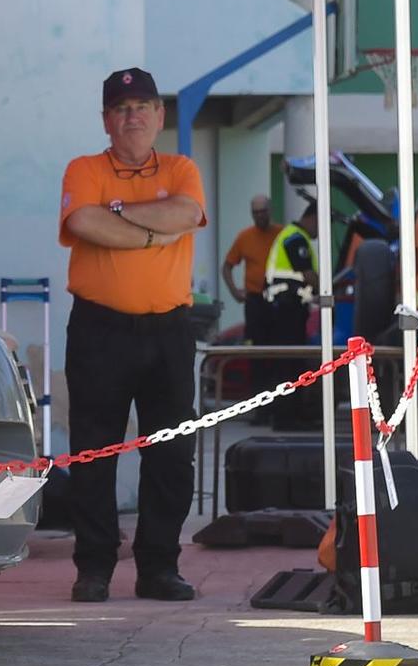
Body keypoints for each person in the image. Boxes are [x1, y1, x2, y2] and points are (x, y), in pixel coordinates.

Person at [56, 68, 208, 603]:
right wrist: (153, 234)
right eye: (121, 108)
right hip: (100, 327)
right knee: (93, 452)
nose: (133, 116)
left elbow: (188, 212)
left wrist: (119, 216)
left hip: (168, 329)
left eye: (143, 105)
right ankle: (93, 566)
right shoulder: (85, 167)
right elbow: (84, 224)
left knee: (170, 453)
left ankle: (159, 566)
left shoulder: (182, 167)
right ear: (106, 119)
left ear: (160, 116)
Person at [220, 195, 281, 341]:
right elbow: (227, 267)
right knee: (255, 343)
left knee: (279, 342)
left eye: (263, 211)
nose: (259, 215)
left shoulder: (281, 234)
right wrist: (235, 292)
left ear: (270, 211)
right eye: (256, 212)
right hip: (255, 300)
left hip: (279, 298)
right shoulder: (245, 237)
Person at [259, 205, 319, 346]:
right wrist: (328, 293)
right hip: (286, 307)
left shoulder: (293, 235)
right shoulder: (295, 238)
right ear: (313, 218)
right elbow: (308, 275)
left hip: (284, 305)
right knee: (290, 355)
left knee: (287, 357)